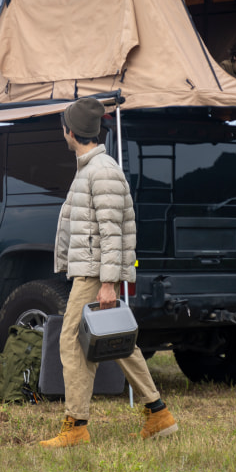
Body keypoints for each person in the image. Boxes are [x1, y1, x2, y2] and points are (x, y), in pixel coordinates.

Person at [40, 97, 179, 449]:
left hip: (94, 275)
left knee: (73, 340)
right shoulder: (91, 168)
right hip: (91, 272)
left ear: (70, 131)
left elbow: (112, 231)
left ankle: (76, 426)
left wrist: (108, 284)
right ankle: (157, 413)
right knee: (113, 339)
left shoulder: (101, 171)